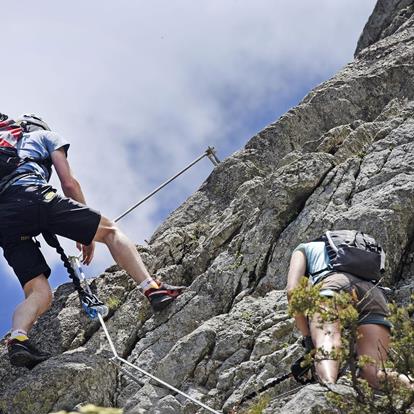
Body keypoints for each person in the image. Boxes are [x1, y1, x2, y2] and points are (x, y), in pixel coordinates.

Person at [0, 113, 183, 369]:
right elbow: (69, 183)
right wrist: (85, 235)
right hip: (34, 194)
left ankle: (18, 338)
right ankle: (152, 288)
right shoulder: (44, 137)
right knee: (109, 231)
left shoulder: (5, 148)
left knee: (38, 292)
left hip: (4, 221)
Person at [286, 236, 392, 388]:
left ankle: (329, 389)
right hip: (374, 294)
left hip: (333, 285)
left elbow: (292, 291)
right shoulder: (364, 250)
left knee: (327, 343)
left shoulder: (304, 248)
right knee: (373, 372)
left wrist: (309, 340)